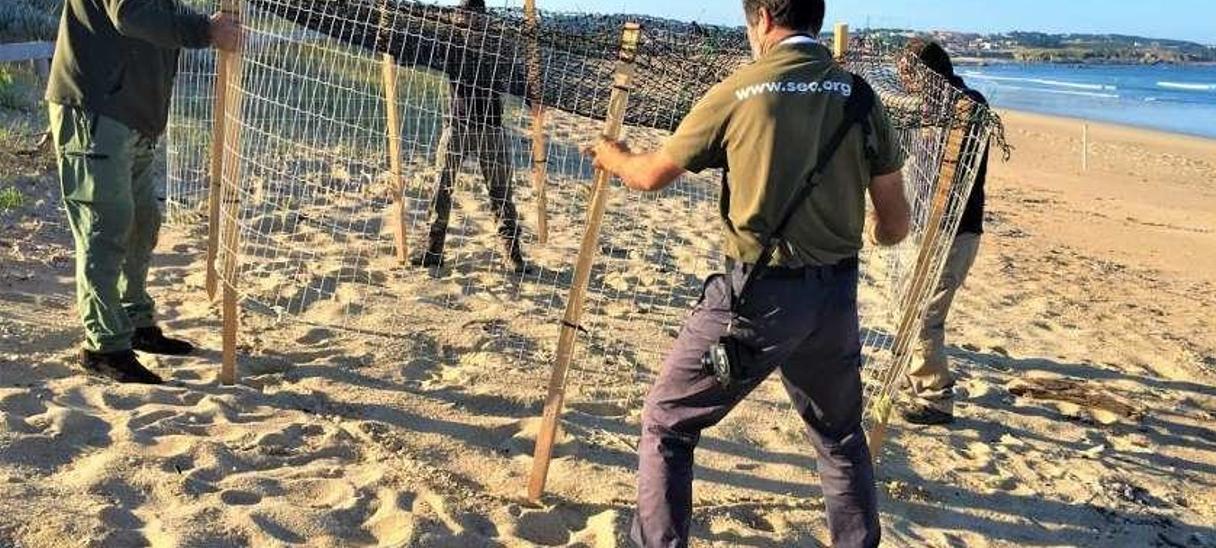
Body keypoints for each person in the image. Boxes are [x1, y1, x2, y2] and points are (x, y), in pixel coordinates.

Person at [583, 1, 911, 545]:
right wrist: (874, 233)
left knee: (668, 421)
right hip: (834, 298)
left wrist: (612, 155)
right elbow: (896, 221)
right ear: (817, 17)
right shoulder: (859, 96)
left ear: (760, 18)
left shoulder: (739, 91)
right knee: (839, 437)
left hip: (756, 296)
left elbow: (650, 176)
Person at [45, 0, 240, 384]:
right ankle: (104, 346)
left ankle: (134, 321)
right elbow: (130, 14)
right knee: (105, 228)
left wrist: (207, 27)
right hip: (97, 108)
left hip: (132, 115)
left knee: (142, 221)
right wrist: (206, 30)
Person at [897, 39, 991, 426]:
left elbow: (951, 174)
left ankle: (936, 400)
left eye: (908, 74)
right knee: (909, 307)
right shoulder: (931, 109)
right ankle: (912, 375)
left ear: (927, 73)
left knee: (926, 316)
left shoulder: (968, 107)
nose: (903, 82)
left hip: (954, 232)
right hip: (925, 229)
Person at [416, 0, 526, 272]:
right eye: (460, 15)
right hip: (457, 126)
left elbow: (519, 77)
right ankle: (433, 249)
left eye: (467, 15)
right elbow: (418, 48)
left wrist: (535, 99)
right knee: (442, 187)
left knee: (501, 193)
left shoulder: (497, 47)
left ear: (481, 19)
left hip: (492, 128)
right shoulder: (451, 42)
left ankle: (512, 253)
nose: (462, 20)